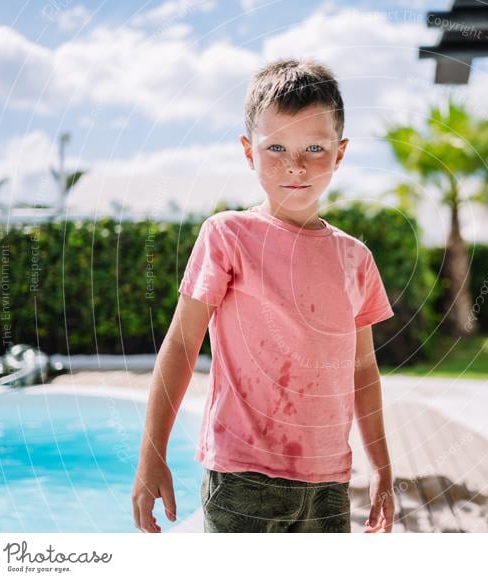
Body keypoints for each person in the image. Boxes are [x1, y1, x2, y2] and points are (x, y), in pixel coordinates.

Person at [131, 58, 396, 533]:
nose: (295, 165)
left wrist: (381, 468)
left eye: (314, 147)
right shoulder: (227, 235)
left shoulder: (356, 259)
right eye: (276, 147)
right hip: (241, 479)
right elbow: (181, 344)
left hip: (329, 483)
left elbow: (363, 370)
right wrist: (152, 455)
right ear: (249, 152)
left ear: (339, 154)